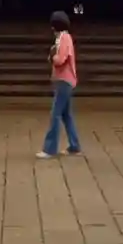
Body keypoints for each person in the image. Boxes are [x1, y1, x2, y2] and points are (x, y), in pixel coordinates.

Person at [39, 10, 81, 158]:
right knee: (66, 115)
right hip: (66, 80)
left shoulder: (63, 38)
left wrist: (53, 57)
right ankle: (74, 146)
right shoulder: (64, 38)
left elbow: (60, 59)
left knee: (55, 114)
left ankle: (50, 149)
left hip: (64, 80)